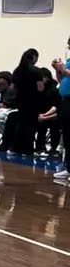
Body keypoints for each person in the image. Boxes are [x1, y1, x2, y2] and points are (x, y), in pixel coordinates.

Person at [4, 48, 43, 156]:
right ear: (34, 57)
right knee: (31, 126)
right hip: (33, 101)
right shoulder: (37, 71)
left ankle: (15, 148)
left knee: (20, 124)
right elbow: (40, 88)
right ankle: (27, 150)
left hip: (21, 101)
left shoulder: (17, 70)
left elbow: (12, 88)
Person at [53, 50, 70, 179]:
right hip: (65, 100)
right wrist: (57, 70)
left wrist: (64, 70)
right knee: (67, 134)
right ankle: (68, 168)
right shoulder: (69, 61)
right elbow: (61, 80)